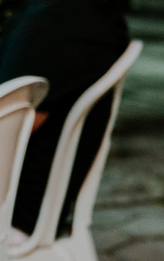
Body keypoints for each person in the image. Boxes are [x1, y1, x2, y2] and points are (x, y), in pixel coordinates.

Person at [0, 0, 129, 241]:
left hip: (13, 213)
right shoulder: (96, 16)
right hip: (35, 203)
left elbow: (9, 134)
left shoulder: (51, 25)